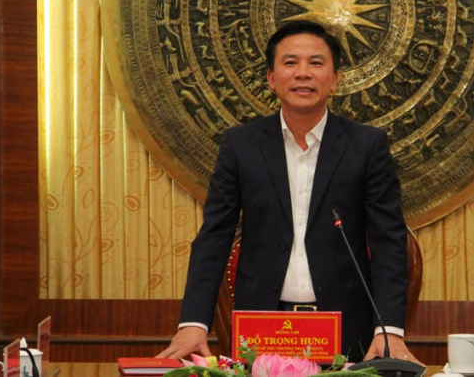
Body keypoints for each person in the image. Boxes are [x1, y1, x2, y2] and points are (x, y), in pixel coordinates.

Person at [157, 20, 421, 364]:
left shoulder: (366, 146)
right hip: (262, 328)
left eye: (316, 63)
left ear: (334, 79)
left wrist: (389, 331)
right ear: (271, 78)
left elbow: (388, 241)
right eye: (290, 62)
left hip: (346, 330)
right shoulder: (241, 145)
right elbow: (215, 236)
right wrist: (194, 323)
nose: (303, 73)